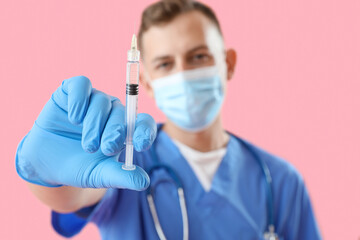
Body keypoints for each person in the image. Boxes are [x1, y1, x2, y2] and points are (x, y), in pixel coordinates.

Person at [15, 0, 322, 239]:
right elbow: (72, 196)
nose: (183, 74)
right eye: (164, 64)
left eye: (198, 57)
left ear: (227, 64)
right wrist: (44, 174)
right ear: (145, 82)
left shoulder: (281, 181)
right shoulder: (126, 157)